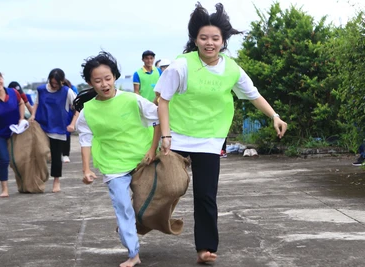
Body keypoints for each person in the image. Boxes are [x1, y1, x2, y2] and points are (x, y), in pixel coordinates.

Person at [155, 2, 288, 264]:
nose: (209, 43)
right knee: (165, 189)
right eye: (203, 38)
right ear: (195, 39)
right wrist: (166, 136)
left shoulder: (231, 69)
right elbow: (163, 100)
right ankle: (141, 223)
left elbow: (253, 95)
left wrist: (274, 116)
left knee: (206, 195)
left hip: (209, 139)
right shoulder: (182, 65)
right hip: (178, 136)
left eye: (215, 38)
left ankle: (205, 248)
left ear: (223, 40)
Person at [74, 51, 160, 267]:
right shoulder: (88, 111)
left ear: (115, 77)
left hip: (142, 160)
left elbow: (159, 118)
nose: (104, 84)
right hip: (113, 165)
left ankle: (128, 227)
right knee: (122, 206)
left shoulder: (132, 99)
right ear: (90, 83)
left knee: (156, 200)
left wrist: (153, 149)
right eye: (98, 80)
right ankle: (133, 253)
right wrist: (86, 169)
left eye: (108, 78)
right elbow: (85, 139)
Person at [29, 68, 76, 193]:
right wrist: (33, 115)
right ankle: (38, 178)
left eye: (57, 83)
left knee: (56, 156)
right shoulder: (41, 90)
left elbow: (78, 108)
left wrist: (72, 123)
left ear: (62, 81)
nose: (54, 85)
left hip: (58, 127)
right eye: (52, 82)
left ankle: (56, 181)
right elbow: (37, 103)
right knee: (38, 152)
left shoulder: (67, 92)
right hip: (42, 125)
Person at [61, 79, 79, 163]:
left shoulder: (71, 90)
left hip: (67, 113)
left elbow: (76, 105)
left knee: (66, 134)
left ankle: (65, 154)